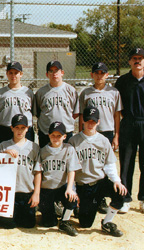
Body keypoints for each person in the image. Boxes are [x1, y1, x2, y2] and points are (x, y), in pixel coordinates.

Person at [69, 106, 127, 237]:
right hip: (84, 186)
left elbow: (109, 164)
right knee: (85, 224)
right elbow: (70, 169)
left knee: (121, 193)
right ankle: (81, 208)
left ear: (98, 122)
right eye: (88, 120)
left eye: (93, 121)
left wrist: (117, 181)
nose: (90, 124)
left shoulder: (104, 140)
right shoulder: (74, 141)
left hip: (100, 182)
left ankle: (107, 223)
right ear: (83, 120)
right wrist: (73, 189)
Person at [79, 62, 122, 214]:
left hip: (107, 131)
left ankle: (102, 196)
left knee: (105, 164)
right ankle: (94, 196)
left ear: (107, 75)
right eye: (96, 72)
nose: (99, 75)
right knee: (91, 162)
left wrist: (116, 135)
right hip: (90, 131)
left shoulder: (114, 92)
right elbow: (82, 116)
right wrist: (80, 133)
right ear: (92, 75)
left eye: (102, 73)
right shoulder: (86, 93)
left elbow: (117, 115)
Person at [0, 114, 41, 228]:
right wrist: (4, 154)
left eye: (22, 127)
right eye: (17, 127)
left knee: (28, 224)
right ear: (11, 128)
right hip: (9, 193)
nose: (19, 130)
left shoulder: (34, 147)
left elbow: (38, 172)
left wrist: (36, 193)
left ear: (27, 128)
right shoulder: (4, 145)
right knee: (8, 225)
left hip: (27, 192)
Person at [115, 48, 144, 213]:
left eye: (140, 58)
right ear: (129, 62)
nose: (137, 61)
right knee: (126, 162)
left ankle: (143, 198)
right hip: (128, 123)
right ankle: (125, 198)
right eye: (134, 58)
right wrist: (117, 133)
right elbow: (117, 110)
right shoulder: (123, 81)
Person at [39, 121, 80, 236]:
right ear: (48, 135)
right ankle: (52, 209)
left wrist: (71, 188)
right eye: (53, 135)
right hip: (47, 189)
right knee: (48, 223)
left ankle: (64, 221)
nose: (55, 138)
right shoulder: (42, 151)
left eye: (59, 135)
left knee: (72, 198)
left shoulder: (69, 149)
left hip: (62, 187)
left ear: (65, 136)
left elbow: (71, 170)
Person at [34, 60, 79, 148]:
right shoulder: (41, 92)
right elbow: (39, 113)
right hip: (46, 132)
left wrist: (66, 120)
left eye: (56, 70)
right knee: (46, 159)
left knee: (66, 158)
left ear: (62, 73)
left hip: (65, 132)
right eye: (51, 71)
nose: (54, 73)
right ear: (47, 74)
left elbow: (75, 112)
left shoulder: (71, 90)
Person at [0, 61, 34, 147]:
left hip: (24, 130)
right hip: (5, 129)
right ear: (7, 74)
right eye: (10, 73)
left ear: (21, 74)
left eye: (16, 73)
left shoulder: (28, 92)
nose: (13, 76)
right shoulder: (0, 93)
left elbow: (33, 111)